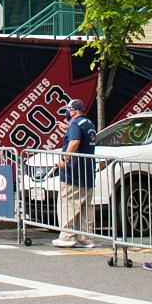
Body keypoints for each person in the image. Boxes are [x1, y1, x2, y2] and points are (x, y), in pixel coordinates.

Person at [53, 98, 97, 248]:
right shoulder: (88, 123)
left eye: (68, 110)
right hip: (87, 172)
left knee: (68, 204)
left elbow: (75, 142)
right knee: (85, 207)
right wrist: (68, 128)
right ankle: (85, 239)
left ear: (73, 111)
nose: (67, 112)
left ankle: (67, 237)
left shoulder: (76, 125)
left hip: (74, 172)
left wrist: (65, 160)